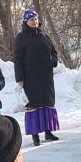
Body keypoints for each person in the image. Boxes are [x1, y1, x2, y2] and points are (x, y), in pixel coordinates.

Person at [13, 8, 60, 146]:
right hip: (30, 77)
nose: (34, 21)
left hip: (46, 77)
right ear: (26, 22)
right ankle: (35, 135)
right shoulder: (21, 38)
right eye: (31, 19)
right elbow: (18, 59)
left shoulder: (44, 36)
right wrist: (20, 79)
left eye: (35, 19)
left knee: (47, 103)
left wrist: (53, 61)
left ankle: (48, 131)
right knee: (34, 105)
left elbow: (53, 51)